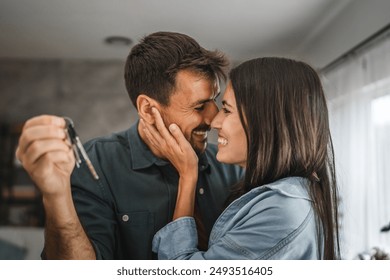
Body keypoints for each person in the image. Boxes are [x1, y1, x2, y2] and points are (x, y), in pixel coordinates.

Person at [15, 31, 244, 259]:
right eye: (199, 106)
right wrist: (55, 197)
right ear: (147, 109)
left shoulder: (230, 165)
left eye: (214, 100)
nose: (215, 119)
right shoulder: (95, 163)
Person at [145, 57, 341, 259]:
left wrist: (187, 176)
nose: (214, 122)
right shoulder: (279, 197)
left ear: (265, 122)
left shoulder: (281, 212)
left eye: (227, 110)